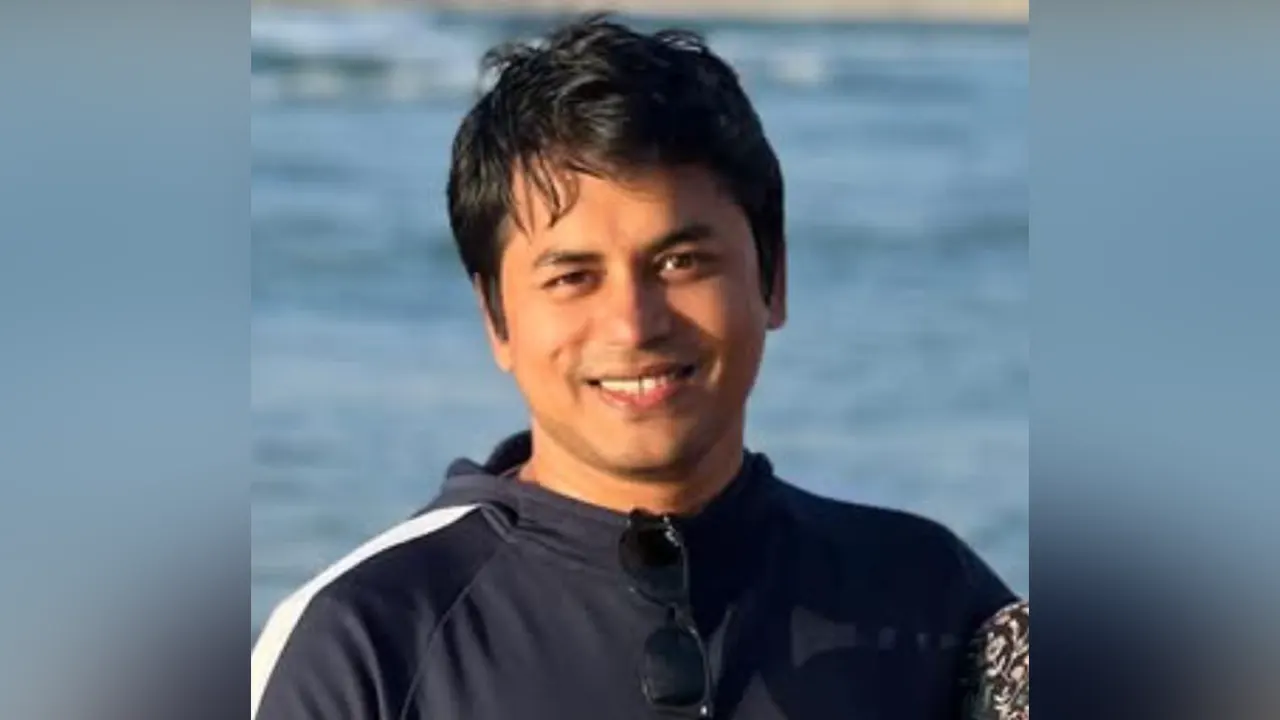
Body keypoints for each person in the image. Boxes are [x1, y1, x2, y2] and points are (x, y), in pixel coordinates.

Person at [251, 13, 1022, 720]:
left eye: (682, 262)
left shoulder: (931, 600)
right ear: (497, 318)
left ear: (774, 279)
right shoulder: (365, 644)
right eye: (572, 277)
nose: (633, 324)